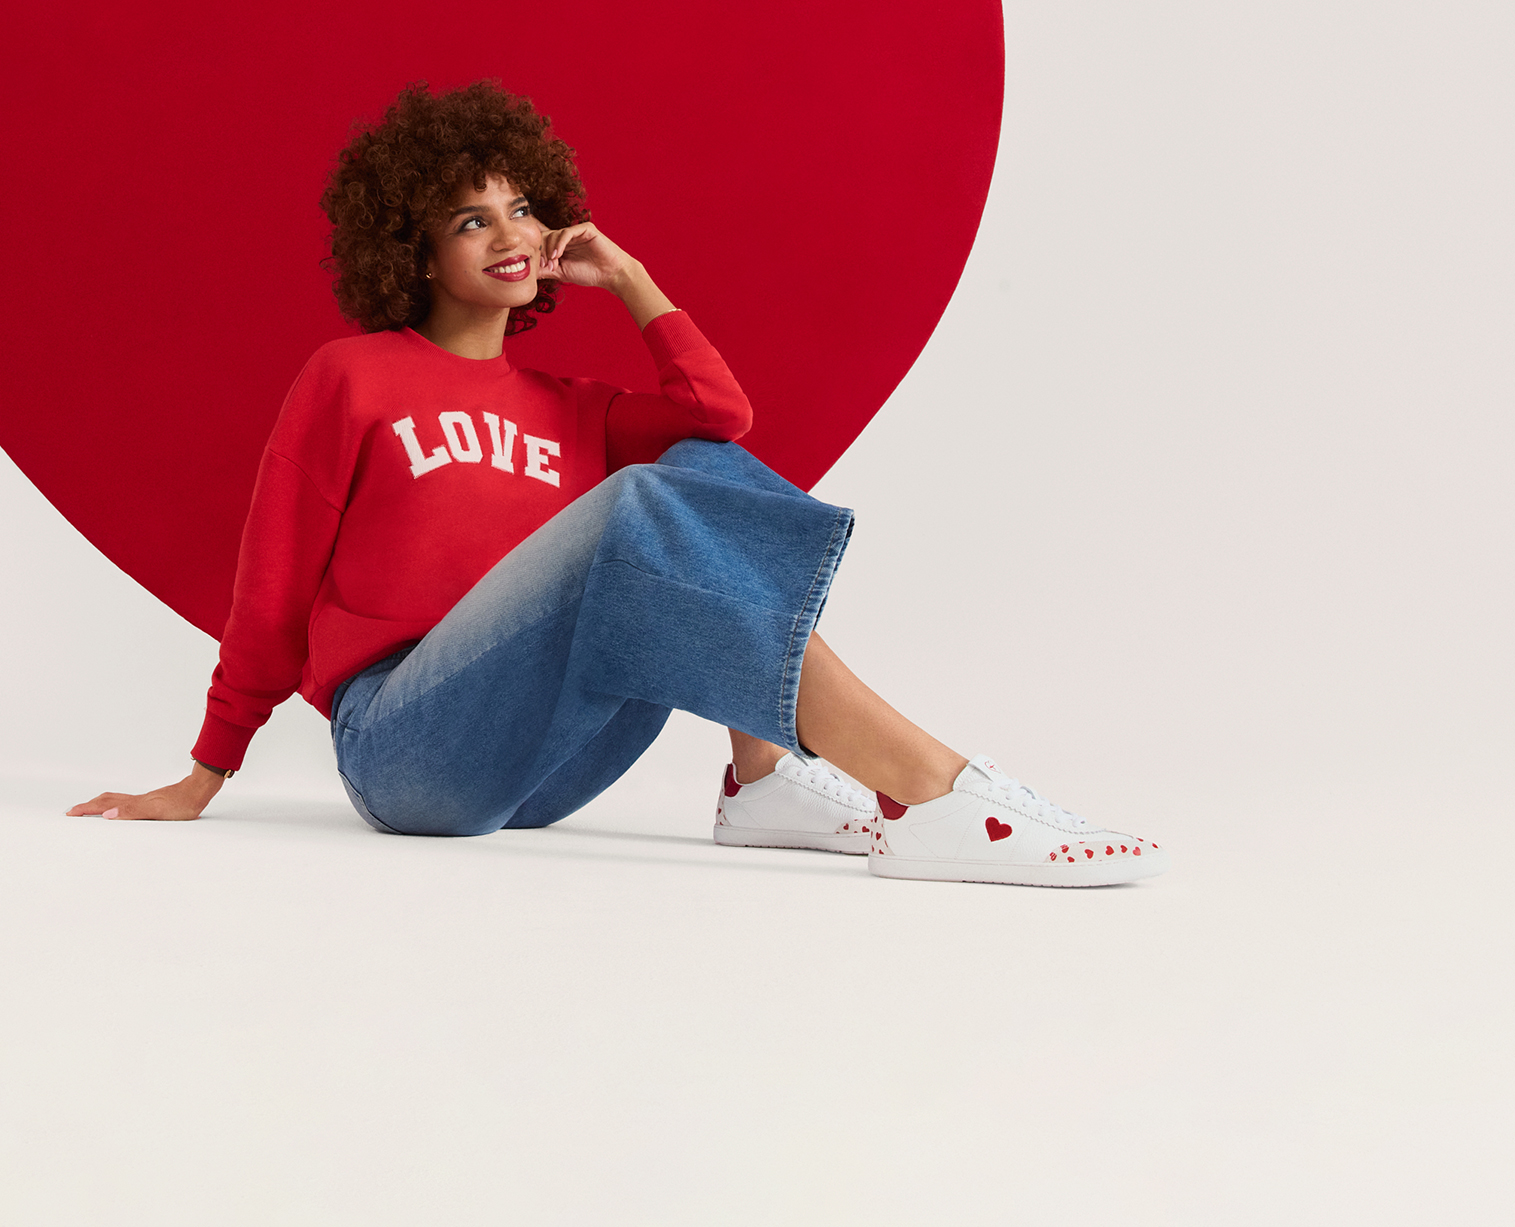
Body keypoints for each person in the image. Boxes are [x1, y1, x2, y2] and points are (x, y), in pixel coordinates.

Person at [69, 82, 1165, 886]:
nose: (509, 234)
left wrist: (633, 280)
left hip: (545, 773)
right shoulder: (351, 376)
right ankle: (928, 789)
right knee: (641, 506)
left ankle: (762, 778)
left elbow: (722, 420)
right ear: (414, 249)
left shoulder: (573, 406)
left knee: (690, 467)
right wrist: (205, 771)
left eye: (520, 209)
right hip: (406, 748)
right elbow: (270, 586)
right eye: (470, 219)